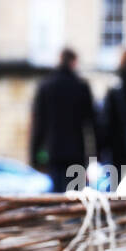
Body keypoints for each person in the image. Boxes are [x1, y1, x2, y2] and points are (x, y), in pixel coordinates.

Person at [30, 48, 97, 193]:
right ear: (73, 62)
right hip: (76, 152)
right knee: (78, 198)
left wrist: (34, 156)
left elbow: (38, 125)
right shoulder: (81, 87)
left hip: (54, 152)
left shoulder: (45, 86)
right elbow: (91, 123)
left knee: (56, 197)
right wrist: (96, 154)